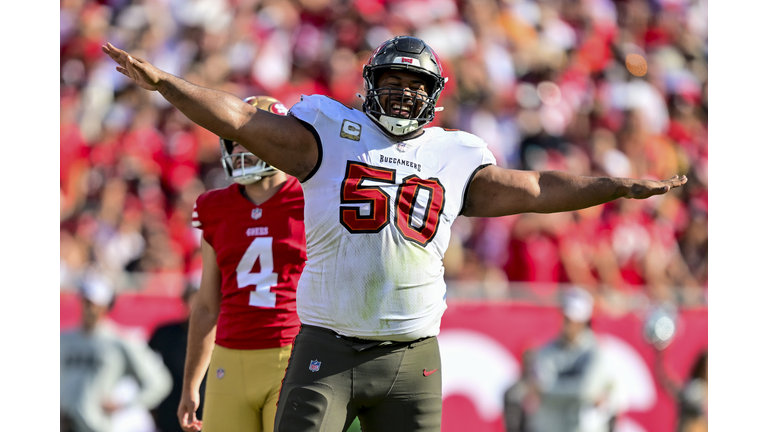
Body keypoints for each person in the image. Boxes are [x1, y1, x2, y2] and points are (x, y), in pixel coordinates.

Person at [103, 35, 686, 432]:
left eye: (415, 84)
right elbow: (237, 118)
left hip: (411, 354)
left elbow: (535, 187)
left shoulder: (455, 155)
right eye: (393, 80)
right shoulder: (328, 130)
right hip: (326, 345)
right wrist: (165, 84)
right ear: (369, 84)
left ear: (433, 95)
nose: (404, 92)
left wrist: (612, 184)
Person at [175, 95, 307, 432]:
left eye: (247, 140)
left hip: (292, 352)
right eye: (233, 143)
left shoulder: (311, 198)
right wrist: (191, 382)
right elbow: (207, 304)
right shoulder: (213, 207)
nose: (238, 152)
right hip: (229, 358)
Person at [60, 270, 173, 432]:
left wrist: (124, 404)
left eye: (94, 303)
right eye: (86, 301)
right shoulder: (63, 339)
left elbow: (159, 382)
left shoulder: (119, 342)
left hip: (97, 426)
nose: (89, 308)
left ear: (106, 305)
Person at [525, 287, 618, 432]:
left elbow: (585, 389)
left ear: (583, 321)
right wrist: (582, 392)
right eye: (566, 318)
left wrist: (548, 391)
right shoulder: (546, 351)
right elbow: (585, 391)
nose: (568, 324)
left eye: (573, 319)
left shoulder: (596, 352)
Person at [147, 284, 206, 432]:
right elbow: (147, 371)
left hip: (206, 415)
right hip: (169, 414)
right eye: (191, 298)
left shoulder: (219, 336)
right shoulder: (164, 334)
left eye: (199, 298)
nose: (194, 304)